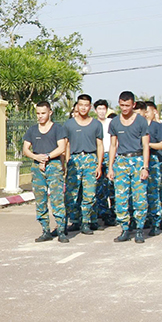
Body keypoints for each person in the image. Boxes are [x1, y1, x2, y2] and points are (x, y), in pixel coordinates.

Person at [22, 101, 68, 243]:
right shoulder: (32, 130)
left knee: (57, 199)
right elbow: (25, 149)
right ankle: (45, 230)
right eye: (38, 113)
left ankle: (61, 230)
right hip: (37, 167)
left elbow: (62, 148)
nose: (40, 116)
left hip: (53, 165)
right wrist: (37, 157)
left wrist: (47, 157)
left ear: (50, 113)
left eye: (43, 113)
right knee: (40, 199)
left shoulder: (57, 129)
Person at [107, 92, 150, 243]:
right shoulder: (115, 123)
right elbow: (113, 145)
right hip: (121, 162)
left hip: (137, 160)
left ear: (133, 105)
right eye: (121, 105)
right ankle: (125, 228)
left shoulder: (141, 121)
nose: (124, 108)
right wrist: (110, 167)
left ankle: (139, 229)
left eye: (127, 105)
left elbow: (146, 145)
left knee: (139, 198)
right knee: (121, 198)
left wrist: (145, 167)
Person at [63, 94, 103, 234]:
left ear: (90, 107)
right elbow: (66, 145)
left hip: (90, 159)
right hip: (74, 160)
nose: (83, 108)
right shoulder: (69, 124)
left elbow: (99, 145)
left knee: (89, 194)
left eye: (86, 105)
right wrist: (66, 164)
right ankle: (74, 221)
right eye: (81, 105)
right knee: (71, 193)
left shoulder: (96, 124)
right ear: (77, 106)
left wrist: (99, 165)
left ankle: (86, 221)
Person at [143, 101, 162, 236]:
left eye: (147, 111)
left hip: (158, 162)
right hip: (143, 162)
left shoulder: (161, 127)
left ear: (153, 112)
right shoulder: (139, 126)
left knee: (159, 191)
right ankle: (148, 218)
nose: (145, 114)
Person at [93, 99, 116, 226]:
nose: (102, 111)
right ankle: (103, 212)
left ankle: (115, 211)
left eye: (104, 109)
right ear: (95, 110)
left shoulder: (112, 123)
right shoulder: (94, 124)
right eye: (99, 109)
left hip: (111, 154)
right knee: (100, 186)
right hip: (98, 155)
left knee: (112, 184)